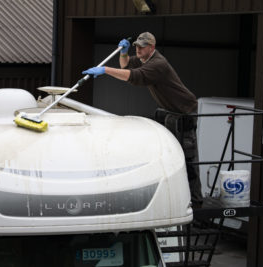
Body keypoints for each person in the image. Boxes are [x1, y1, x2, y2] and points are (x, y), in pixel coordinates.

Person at [82, 32, 203, 206]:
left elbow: (134, 77)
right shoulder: (145, 59)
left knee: (188, 157)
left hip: (184, 110)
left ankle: (196, 201)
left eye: (142, 46)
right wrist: (123, 53)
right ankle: (173, 194)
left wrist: (105, 70)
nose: (138, 49)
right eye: (136, 46)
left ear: (152, 47)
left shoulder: (158, 64)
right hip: (170, 111)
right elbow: (126, 66)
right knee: (170, 154)